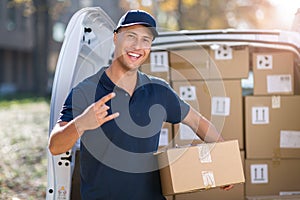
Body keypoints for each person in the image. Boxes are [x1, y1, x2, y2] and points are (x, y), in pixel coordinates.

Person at [48, 9, 232, 200]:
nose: (138, 46)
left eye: (146, 40)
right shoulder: (86, 91)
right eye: (131, 36)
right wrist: (82, 123)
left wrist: (226, 163)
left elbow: (197, 121)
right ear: (115, 37)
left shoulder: (158, 90)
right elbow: (55, 146)